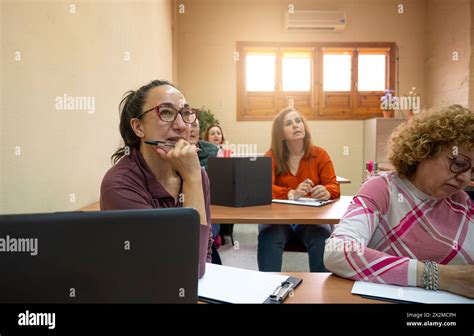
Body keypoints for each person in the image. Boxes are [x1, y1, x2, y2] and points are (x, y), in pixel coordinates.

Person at [324, 104, 474, 298]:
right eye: (459, 163)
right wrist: (438, 276)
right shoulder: (383, 189)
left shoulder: (463, 203)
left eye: (473, 172)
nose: (465, 178)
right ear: (426, 148)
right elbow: (337, 252)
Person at [100, 80, 212, 279]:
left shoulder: (194, 172)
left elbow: (205, 250)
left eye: (185, 113)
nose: (180, 126)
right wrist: (192, 179)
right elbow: (186, 267)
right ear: (138, 127)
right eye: (166, 113)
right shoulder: (119, 185)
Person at [258, 107, 341, 272]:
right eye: (289, 123)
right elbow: (262, 188)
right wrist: (291, 193)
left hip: (311, 219)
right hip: (279, 220)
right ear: (280, 134)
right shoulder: (271, 156)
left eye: (298, 121)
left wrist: (327, 191)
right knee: (269, 236)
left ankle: (321, 293)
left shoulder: (320, 154)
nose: (296, 125)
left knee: (322, 237)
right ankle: (267, 287)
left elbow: (334, 185)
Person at [189, 118, 222, 264]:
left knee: (208, 233)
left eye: (195, 125)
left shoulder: (213, 151)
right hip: (186, 208)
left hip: (212, 206)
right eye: (188, 125)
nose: (191, 129)